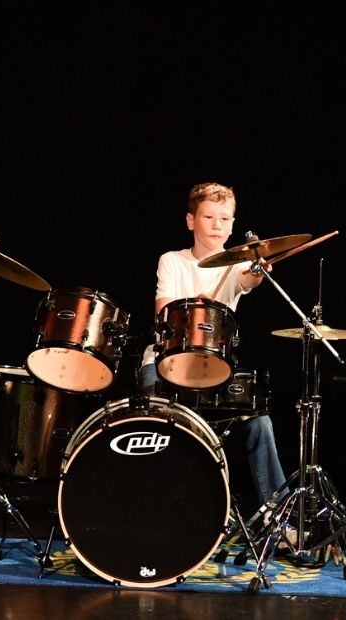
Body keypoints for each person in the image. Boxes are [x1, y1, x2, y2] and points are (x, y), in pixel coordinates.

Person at [138, 182, 288, 516]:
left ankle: (280, 518)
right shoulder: (172, 261)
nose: (217, 224)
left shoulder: (235, 265)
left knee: (259, 423)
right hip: (164, 363)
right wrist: (192, 307)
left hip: (214, 370)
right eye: (208, 216)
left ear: (233, 224)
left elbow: (249, 280)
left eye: (224, 218)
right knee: (151, 424)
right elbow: (164, 309)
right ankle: (149, 507)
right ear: (191, 221)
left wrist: (257, 270)